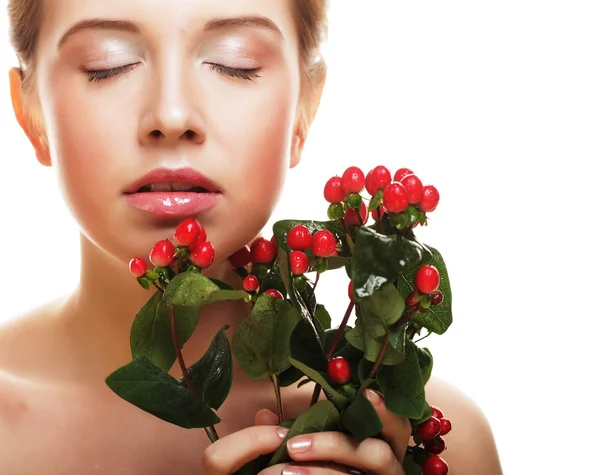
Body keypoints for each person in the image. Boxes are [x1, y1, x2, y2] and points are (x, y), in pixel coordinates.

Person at [0, 0, 503, 473]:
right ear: (32, 114)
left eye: (233, 63)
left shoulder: (435, 440)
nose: (173, 117)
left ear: (305, 110)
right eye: (105, 65)